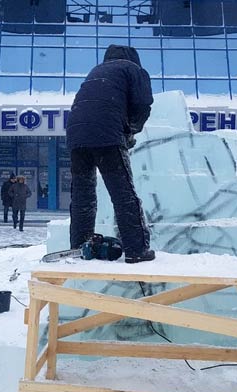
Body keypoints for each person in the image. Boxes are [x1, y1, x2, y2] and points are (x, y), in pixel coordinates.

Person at [66, 44, 155, 264]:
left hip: (76, 134)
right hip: (106, 134)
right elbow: (143, 105)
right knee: (123, 193)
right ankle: (136, 250)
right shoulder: (134, 70)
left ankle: (80, 244)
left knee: (82, 196)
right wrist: (131, 130)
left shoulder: (96, 71)